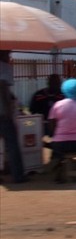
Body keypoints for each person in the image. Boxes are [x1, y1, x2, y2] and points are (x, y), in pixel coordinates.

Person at [0, 50, 27, 184]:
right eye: (8, 54)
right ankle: (18, 176)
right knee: (12, 145)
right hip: (2, 113)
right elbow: (4, 90)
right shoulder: (5, 68)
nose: (9, 57)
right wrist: (8, 111)